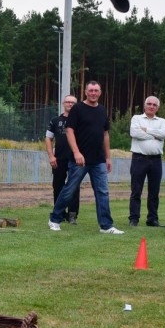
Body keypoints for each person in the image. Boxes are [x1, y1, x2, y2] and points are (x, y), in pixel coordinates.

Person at [48, 81, 124, 234]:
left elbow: (105, 134)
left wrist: (108, 157)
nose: (93, 93)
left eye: (96, 90)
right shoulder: (77, 109)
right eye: (91, 90)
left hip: (99, 160)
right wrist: (76, 152)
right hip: (79, 160)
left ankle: (106, 226)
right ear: (85, 92)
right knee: (69, 189)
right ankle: (55, 219)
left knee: (103, 191)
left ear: (100, 92)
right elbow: (69, 131)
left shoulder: (102, 110)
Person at [127, 96, 165, 227]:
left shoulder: (162, 121)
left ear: (157, 107)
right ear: (144, 106)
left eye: (154, 105)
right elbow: (134, 133)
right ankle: (134, 218)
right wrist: (155, 135)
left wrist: (147, 130)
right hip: (139, 158)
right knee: (136, 190)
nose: (151, 106)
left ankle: (152, 219)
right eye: (149, 104)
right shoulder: (136, 118)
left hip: (156, 160)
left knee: (154, 191)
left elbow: (164, 135)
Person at [45, 95, 80, 224]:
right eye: (68, 102)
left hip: (75, 159)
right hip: (58, 159)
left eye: (73, 102)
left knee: (74, 187)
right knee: (58, 186)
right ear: (63, 103)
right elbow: (48, 138)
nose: (70, 104)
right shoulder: (55, 120)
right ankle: (58, 213)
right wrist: (51, 156)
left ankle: (72, 215)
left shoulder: (80, 120)